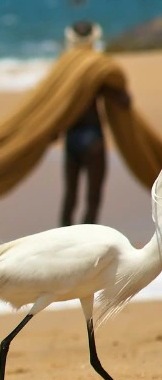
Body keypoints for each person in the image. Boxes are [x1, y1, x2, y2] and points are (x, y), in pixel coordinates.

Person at [60, 20, 131, 227]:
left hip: (71, 137)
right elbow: (123, 100)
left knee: (70, 196)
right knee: (93, 197)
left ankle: (63, 239)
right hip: (93, 139)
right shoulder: (98, 66)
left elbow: (56, 104)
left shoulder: (65, 68)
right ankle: (88, 238)